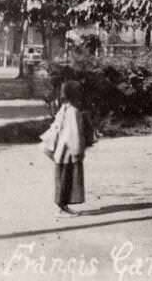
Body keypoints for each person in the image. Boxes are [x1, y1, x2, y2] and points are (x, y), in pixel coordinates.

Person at [50, 79, 96, 217]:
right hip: (69, 152)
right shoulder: (74, 111)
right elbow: (74, 132)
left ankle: (63, 206)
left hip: (61, 151)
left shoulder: (64, 109)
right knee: (67, 179)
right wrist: (78, 151)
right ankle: (62, 207)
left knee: (63, 178)